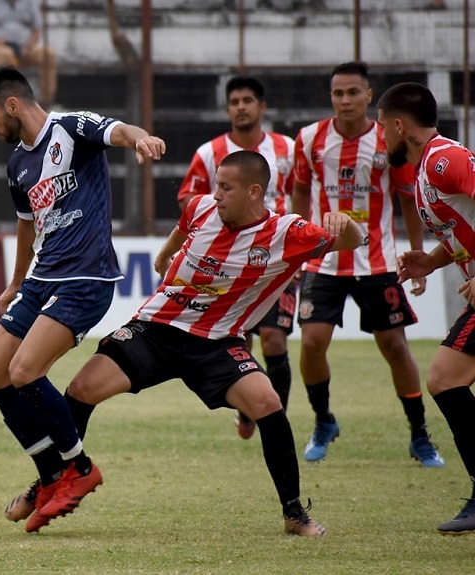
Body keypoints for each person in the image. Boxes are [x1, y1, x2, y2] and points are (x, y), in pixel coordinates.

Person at [66, 150, 362, 536]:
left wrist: (345, 224)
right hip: (156, 328)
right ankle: (53, 482)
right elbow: (185, 222)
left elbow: (353, 241)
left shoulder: (286, 233)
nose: (216, 194)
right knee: (80, 389)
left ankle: (294, 514)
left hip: (216, 342)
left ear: (254, 192)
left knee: (267, 403)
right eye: (216, 185)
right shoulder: (203, 207)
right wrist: (165, 253)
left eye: (226, 187)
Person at [0, 66, 166, 532]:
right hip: (42, 278)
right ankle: (50, 475)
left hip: (86, 279)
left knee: (24, 372)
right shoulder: (17, 163)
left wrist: (141, 139)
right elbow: (26, 224)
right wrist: (16, 281)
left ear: (12, 105)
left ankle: (79, 468)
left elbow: (119, 131)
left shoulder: (72, 127)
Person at [290, 61, 443, 466]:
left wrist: (417, 254)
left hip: (377, 262)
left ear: (369, 96)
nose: (345, 100)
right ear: (331, 97)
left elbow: (408, 198)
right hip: (323, 264)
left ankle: (420, 434)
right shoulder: (309, 140)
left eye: (353, 92)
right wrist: (296, 246)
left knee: (395, 346)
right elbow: (301, 192)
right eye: (338, 93)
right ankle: (324, 421)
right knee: (310, 343)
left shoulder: (387, 142)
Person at [379, 82, 475, 534]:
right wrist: (432, 260)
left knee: (443, 377)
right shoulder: (425, 171)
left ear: (400, 126)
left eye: (383, 129)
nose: (381, 139)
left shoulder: (444, 159)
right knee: (446, 378)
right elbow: (464, 225)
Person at [178, 76, 297, 440]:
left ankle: (275, 419)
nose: (241, 106)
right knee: (237, 339)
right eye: (234, 101)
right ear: (228, 109)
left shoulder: (287, 150)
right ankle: (248, 408)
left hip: (277, 262)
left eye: (248, 100)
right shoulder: (209, 153)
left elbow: (304, 194)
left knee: (274, 339)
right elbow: (188, 200)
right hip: (230, 265)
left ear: (262, 108)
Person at [0, 0, 57, 107]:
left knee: (47, 54)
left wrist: (29, 45)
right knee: (5, 56)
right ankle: (7, 103)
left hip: (25, 48)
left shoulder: (30, 2)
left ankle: (45, 102)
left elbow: (37, 29)